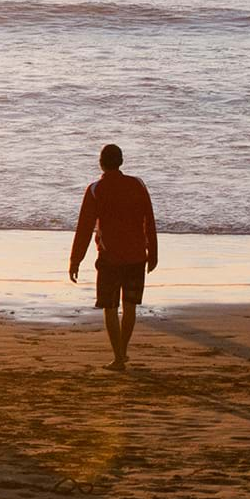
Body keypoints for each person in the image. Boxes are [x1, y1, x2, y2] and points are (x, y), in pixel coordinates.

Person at [69, 143, 158, 371]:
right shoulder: (137, 185)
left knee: (110, 307)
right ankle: (123, 352)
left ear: (101, 162)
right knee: (129, 307)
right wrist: (153, 253)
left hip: (109, 259)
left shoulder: (95, 189)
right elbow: (149, 219)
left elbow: (84, 227)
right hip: (137, 256)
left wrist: (75, 259)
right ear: (121, 161)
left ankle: (118, 356)